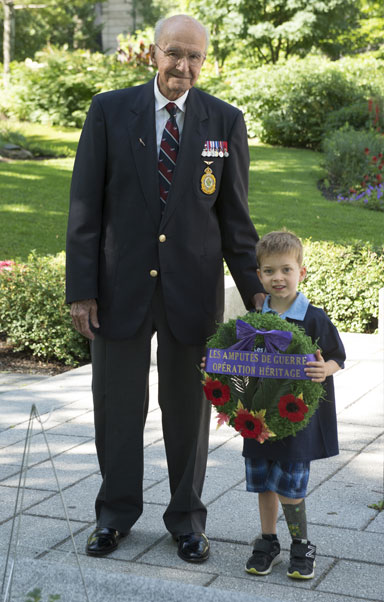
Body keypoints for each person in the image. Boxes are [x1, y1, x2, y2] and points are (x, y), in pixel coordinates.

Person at [66, 14, 264, 563]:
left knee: (189, 414)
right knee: (116, 409)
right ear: (152, 53)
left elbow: (235, 221)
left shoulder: (224, 123)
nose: (183, 66)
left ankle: (186, 520)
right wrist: (82, 288)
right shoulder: (108, 111)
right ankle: (114, 516)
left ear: (206, 60)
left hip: (191, 294)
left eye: (194, 57)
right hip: (117, 290)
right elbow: (84, 208)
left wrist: (261, 302)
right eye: (174, 53)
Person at [242, 230, 346, 580]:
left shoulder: (314, 318)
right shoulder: (254, 320)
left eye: (286, 269)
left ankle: (300, 544)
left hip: (296, 420)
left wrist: (325, 368)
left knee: (291, 486)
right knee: (264, 483)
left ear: (301, 272)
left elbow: (336, 356)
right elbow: (240, 359)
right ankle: (268, 540)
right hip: (260, 419)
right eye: (269, 271)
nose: (278, 277)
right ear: (259, 276)